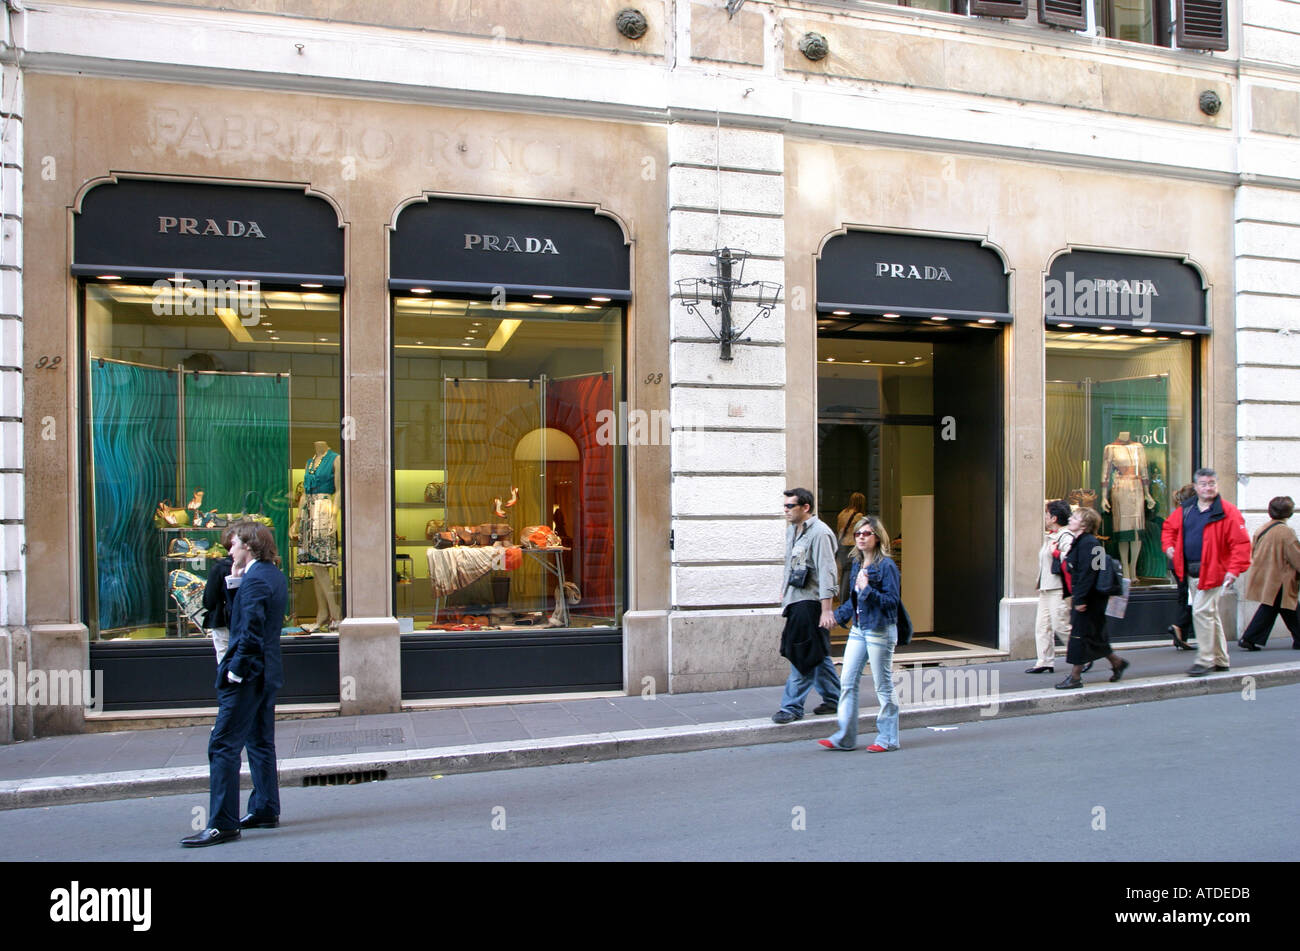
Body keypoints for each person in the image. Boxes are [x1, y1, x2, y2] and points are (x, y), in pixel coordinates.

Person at [182, 522, 289, 848]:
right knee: (259, 741)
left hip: (249, 676)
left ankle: (222, 823)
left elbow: (250, 633)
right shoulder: (271, 575)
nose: (230, 551)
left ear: (251, 547)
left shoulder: (256, 581)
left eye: (235, 545)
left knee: (223, 746)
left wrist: (235, 673)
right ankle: (265, 808)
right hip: (267, 673)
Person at [819, 515, 901, 752]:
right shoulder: (857, 564)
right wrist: (836, 616)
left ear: (877, 537)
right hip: (859, 628)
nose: (861, 538)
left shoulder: (886, 566)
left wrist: (868, 590)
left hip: (880, 630)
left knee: (882, 685)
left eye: (866, 533)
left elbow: (891, 602)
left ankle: (888, 738)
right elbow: (853, 599)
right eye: (857, 534)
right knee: (847, 681)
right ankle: (845, 737)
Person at [1161, 468, 1251, 677]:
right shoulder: (1186, 509)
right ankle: (1220, 659)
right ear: (1196, 487)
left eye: (1211, 483)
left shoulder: (1228, 512)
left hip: (1215, 572)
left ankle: (1205, 660)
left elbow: (1241, 544)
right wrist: (1169, 547)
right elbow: (1169, 529)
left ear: (1216, 485)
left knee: (1200, 611)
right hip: (1191, 571)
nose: (1208, 487)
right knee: (1210, 614)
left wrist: (1233, 570)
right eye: (1204, 484)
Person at [772, 487, 841, 723]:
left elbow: (827, 572)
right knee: (817, 653)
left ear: (806, 507)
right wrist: (784, 592)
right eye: (785, 505)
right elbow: (792, 565)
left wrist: (826, 610)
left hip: (810, 604)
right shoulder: (793, 531)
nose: (786, 510)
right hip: (795, 600)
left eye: (790, 506)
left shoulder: (820, 533)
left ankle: (791, 707)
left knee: (802, 652)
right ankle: (835, 699)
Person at [1056, 507, 1131, 688]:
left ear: (1084, 524)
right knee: (1094, 636)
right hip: (1089, 597)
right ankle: (1117, 663)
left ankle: (1075, 677)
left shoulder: (1089, 543)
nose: (1070, 519)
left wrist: (1080, 600)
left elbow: (1089, 573)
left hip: (1090, 599)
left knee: (1079, 637)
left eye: (1075, 517)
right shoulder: (1082, 541)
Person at [1238, 496, 1300, 650]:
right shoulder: (1286, 532)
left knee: (1284, 608)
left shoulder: (1262, 529)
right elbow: (1296, 556)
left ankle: (1250, 638)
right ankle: (1249, 638)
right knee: (1281, 607)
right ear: (1289, 513)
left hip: (1266, 576)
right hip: (1280, 578)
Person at [1028, 500, 1073, 673]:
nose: (1045, 517)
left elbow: (1071, 559)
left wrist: (1057, 553)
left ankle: (1081, 655)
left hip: (1058, 588)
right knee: (1042, 626)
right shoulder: (1051, 535)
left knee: (1061, 625)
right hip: (1046, 587)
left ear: (1054, 518)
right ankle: (1044, 661)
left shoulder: (1066, 536)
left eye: (1047, 514)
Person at [1167, 483, 1197, 651]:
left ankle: (1181, 635)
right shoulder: (1191, 514)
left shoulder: (1178, 513)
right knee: (1190, 596)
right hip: (1186, 561)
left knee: (1184, 595)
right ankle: (1179, 626)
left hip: (1175, 560)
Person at [834, 492, 867, 602]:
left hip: (842, 546)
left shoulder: (842, 513)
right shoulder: (859, 516)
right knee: (850, 575)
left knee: (844, 574)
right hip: (852, 546)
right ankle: (846, 600)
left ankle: (843, 600)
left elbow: (839, 529)